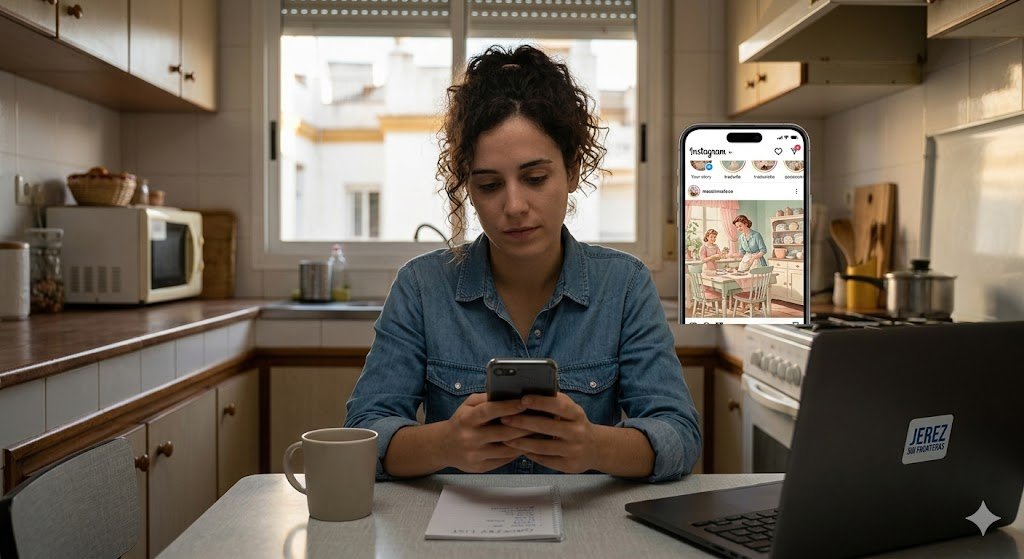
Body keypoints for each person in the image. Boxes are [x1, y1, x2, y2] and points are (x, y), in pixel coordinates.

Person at [344, 45, 701, 483]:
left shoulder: (623, 285)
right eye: (490, 184)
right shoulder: (421, 287)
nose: (514, 205)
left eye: (535, 179)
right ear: (468, 190)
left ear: (572, 171)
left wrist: (594, 446)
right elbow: (364, 432)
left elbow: (680, 436)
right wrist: (443, 444)